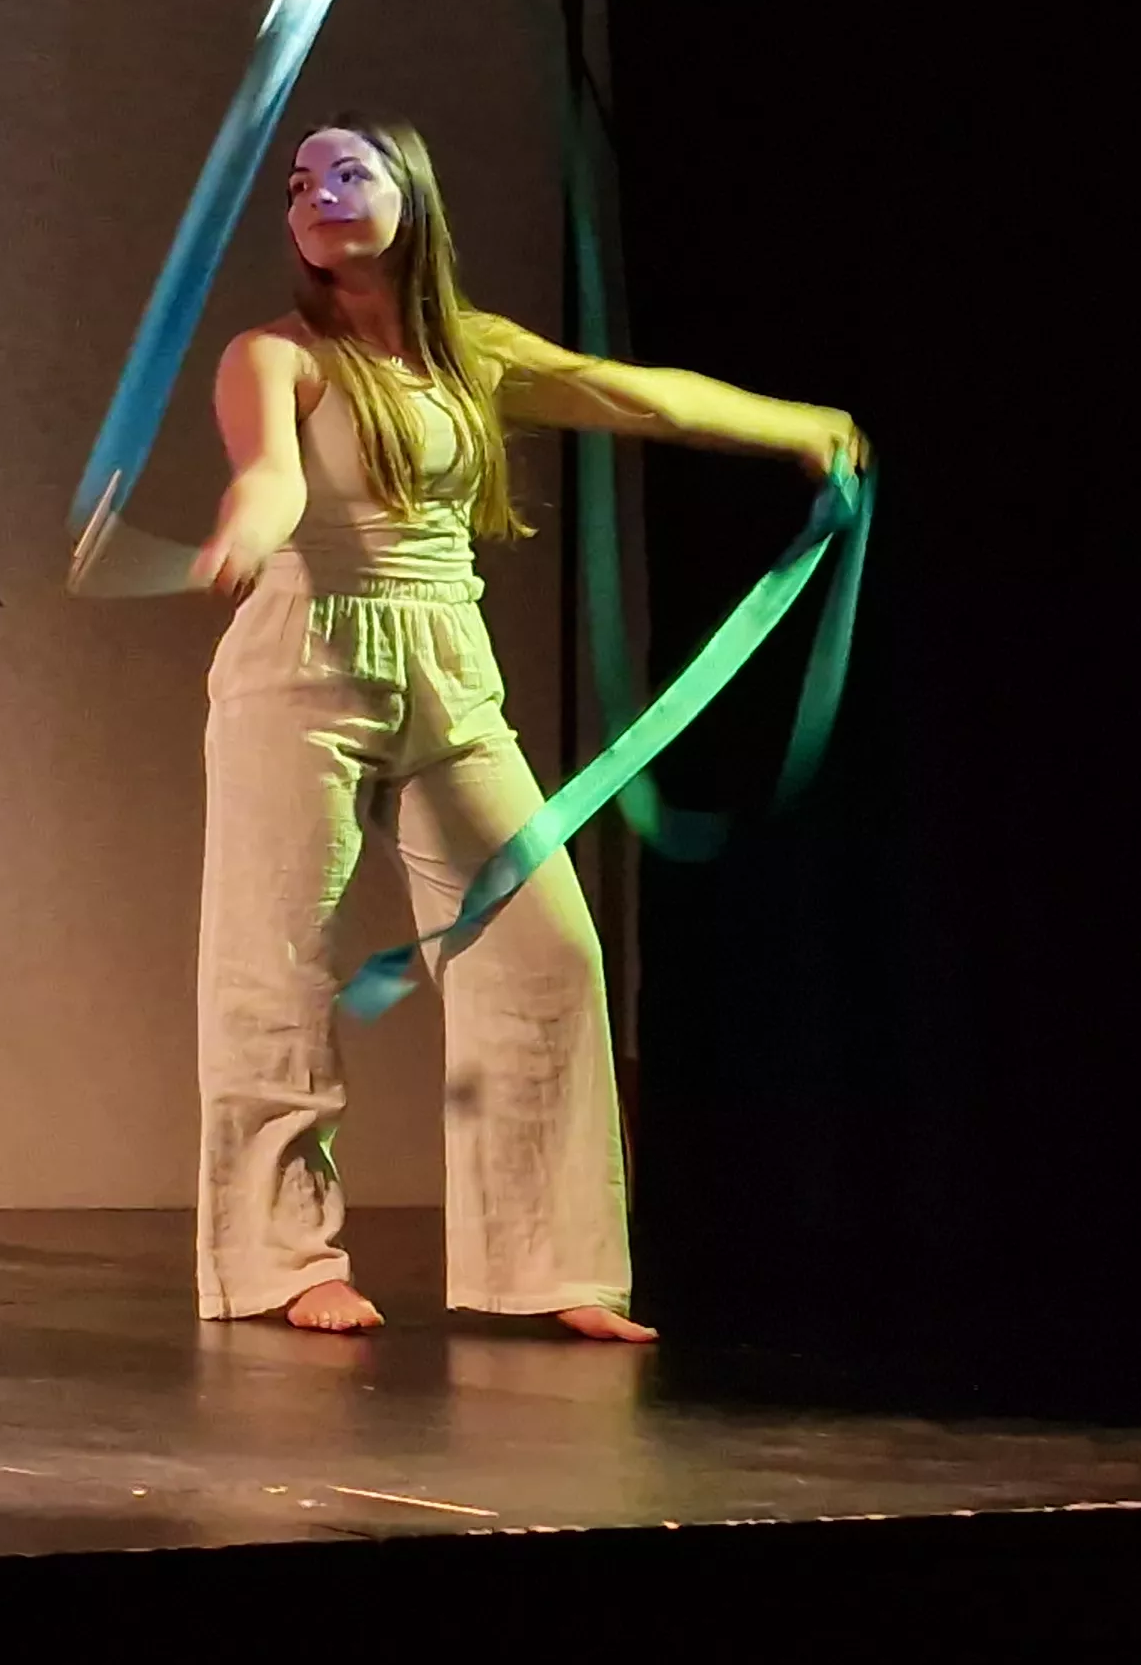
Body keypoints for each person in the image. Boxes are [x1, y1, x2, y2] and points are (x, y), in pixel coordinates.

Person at [186, 117, 865, 1341]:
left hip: (448, 655)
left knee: (545, 951)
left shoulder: (473, 354)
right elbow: (272, 477)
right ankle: (279, 1258)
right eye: (296, 184)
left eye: (348, 171)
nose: (316, 194)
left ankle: (548, 1260)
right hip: (302, 656)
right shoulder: (273, 357)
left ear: (412, 197)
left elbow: (643, 399)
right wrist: (247, 522)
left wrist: (795, 423)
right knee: (273, 963)